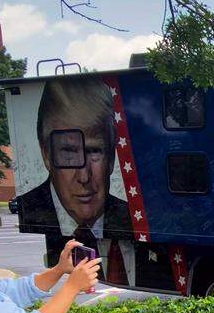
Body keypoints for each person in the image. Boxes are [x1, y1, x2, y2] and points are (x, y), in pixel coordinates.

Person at [16, 76, 135, 286]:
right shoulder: (32, 208)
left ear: (112, 157)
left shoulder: (135, 218)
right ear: (46, 155)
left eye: (94, 152)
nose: (84, 176)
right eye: (68, 154)